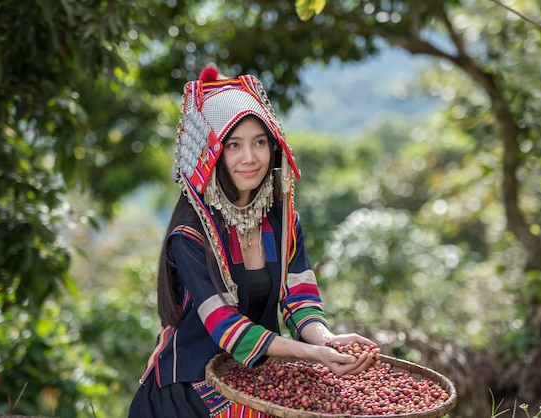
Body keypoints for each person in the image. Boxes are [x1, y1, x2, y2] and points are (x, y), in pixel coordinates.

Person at [128, 66, 377, 418]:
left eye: (260, 142)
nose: (250, 157)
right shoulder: (190, 234)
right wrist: (313, 355)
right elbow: (227, 329)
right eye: (234, 145)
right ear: (211, 155)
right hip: (189, 392)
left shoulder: (281, 218)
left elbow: (299, 295)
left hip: (258, 380)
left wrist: (325, 339)